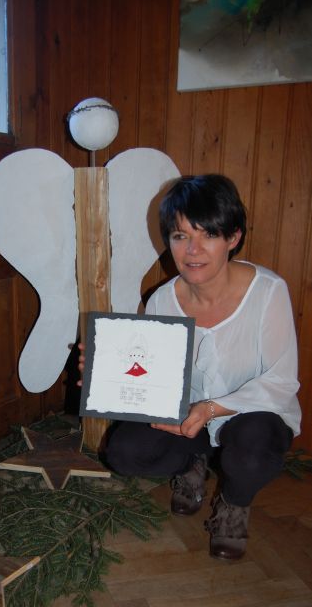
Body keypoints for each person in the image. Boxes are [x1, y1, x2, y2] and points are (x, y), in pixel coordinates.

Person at [79, 174, 301, 561]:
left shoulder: (268, 292)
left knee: (252, 448)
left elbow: (280, 383)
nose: (193, 250)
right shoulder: (162, 300)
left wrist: (211, 409)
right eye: (180, 236)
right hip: (187, 417)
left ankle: (234, 503)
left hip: (253, 417)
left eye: (208, 234)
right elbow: (150, 375)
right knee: (124, 452)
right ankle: (191, 462)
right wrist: (105, 374)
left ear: (233, 237)